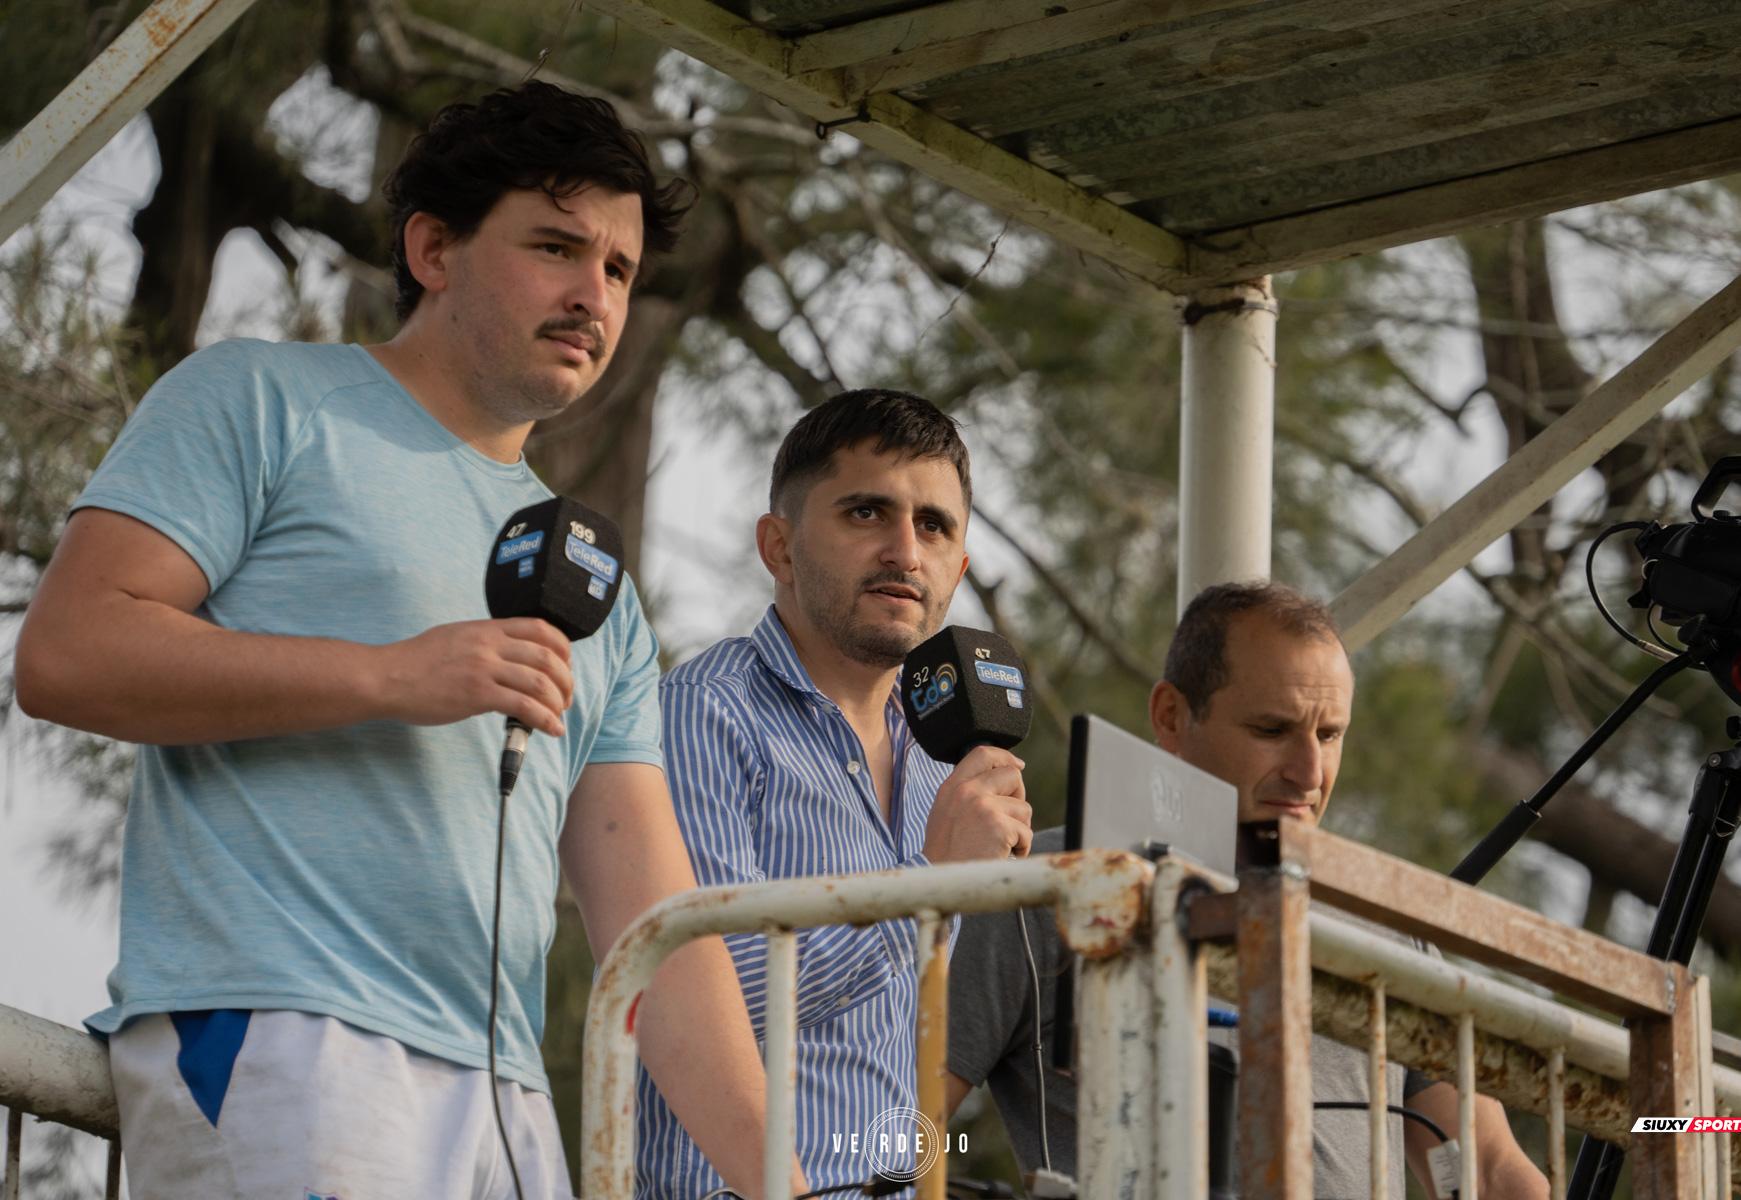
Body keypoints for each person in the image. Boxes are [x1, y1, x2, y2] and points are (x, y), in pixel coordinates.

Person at [16, 83, 794, 1200]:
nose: (594, 295)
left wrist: (787, 1183)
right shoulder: (259, 399)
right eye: (557, 248)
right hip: (289, 1036)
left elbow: (656, 933)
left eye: (619, 270)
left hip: (507, 1100)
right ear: (434, 248)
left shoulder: (598, 588)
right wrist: (391, 675)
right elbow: (68, 653)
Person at [945, 581, 1549, 1200]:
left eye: (1330, 734)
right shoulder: (1046, 884)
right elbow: (903, 1129)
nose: (1310, 773)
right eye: (1272, 728)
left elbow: (1494, 1170)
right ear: (1171, 716)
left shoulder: (1385, 926)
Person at [637, 390, 1033, 1199]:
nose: (903, 551)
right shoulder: (700, 715)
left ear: (958, 569)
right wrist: (928, 888)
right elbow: (703, 1003)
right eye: (865, 513)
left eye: (934, 526)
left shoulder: (946, 757)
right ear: (777, 547)